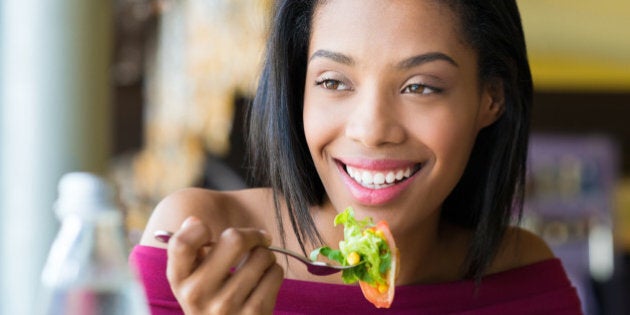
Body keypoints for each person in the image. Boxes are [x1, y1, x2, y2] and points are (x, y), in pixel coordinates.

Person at [130, 0, 583, 314]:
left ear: (491, 98)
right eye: (333, 82)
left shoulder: (525, 281)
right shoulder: (197, 253)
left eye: (420, 86)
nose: (370, 130)